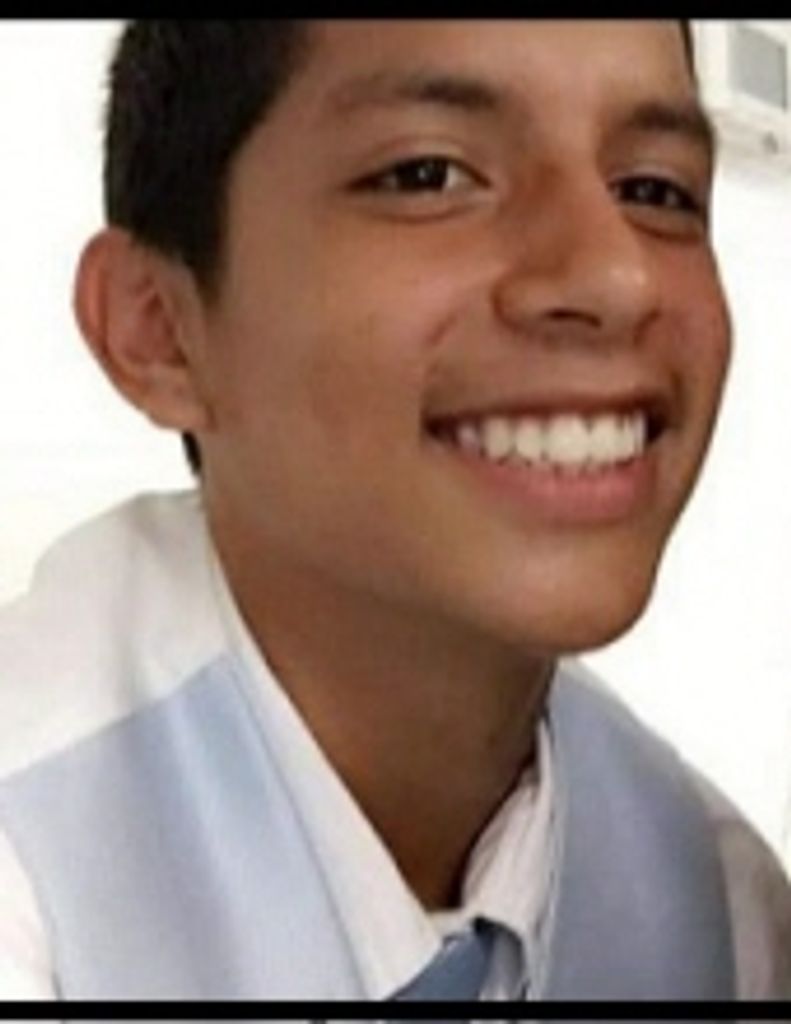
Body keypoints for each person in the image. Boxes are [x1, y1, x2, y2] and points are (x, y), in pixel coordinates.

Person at [0, 19, 789, 1003]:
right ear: (158, 330)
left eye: (655, 191)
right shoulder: (32, 867)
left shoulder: (721, 919)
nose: (614, 274)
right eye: (426, 175)